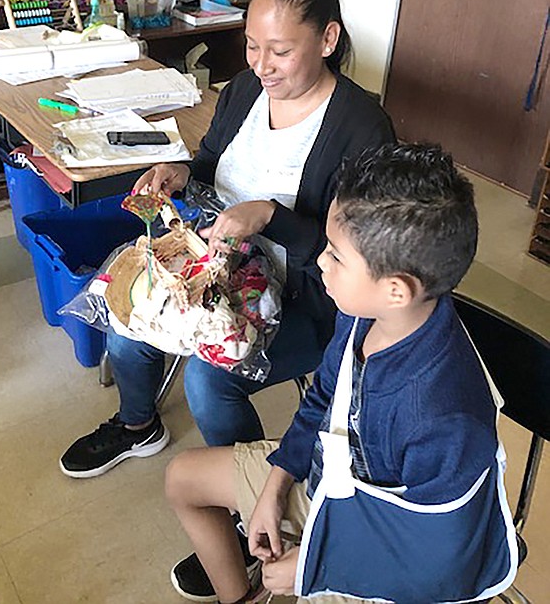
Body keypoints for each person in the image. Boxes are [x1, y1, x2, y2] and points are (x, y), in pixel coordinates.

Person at [60, 0, 393, 598]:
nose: (261, 64)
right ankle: (137, 426)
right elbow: (212, 163)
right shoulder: (243, 90)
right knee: (130, 320)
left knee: (214, 379)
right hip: (220, 269)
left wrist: (271, 216)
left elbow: (362, 254)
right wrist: (182, 174)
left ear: (327, 40)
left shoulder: (362, 127)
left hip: (305, 299)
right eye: (250, 45)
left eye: (279, 50)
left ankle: (251, 517)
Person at [164, 143, 518, 604]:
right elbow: (324, 399)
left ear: (395, 290)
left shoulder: (443, 416)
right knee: (183, 479)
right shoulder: (362, 312)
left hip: (387, 551)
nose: (321, 264)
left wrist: (314, 564)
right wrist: (277, 481)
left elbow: (438, 562)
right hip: (332, 481)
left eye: (335, 256)